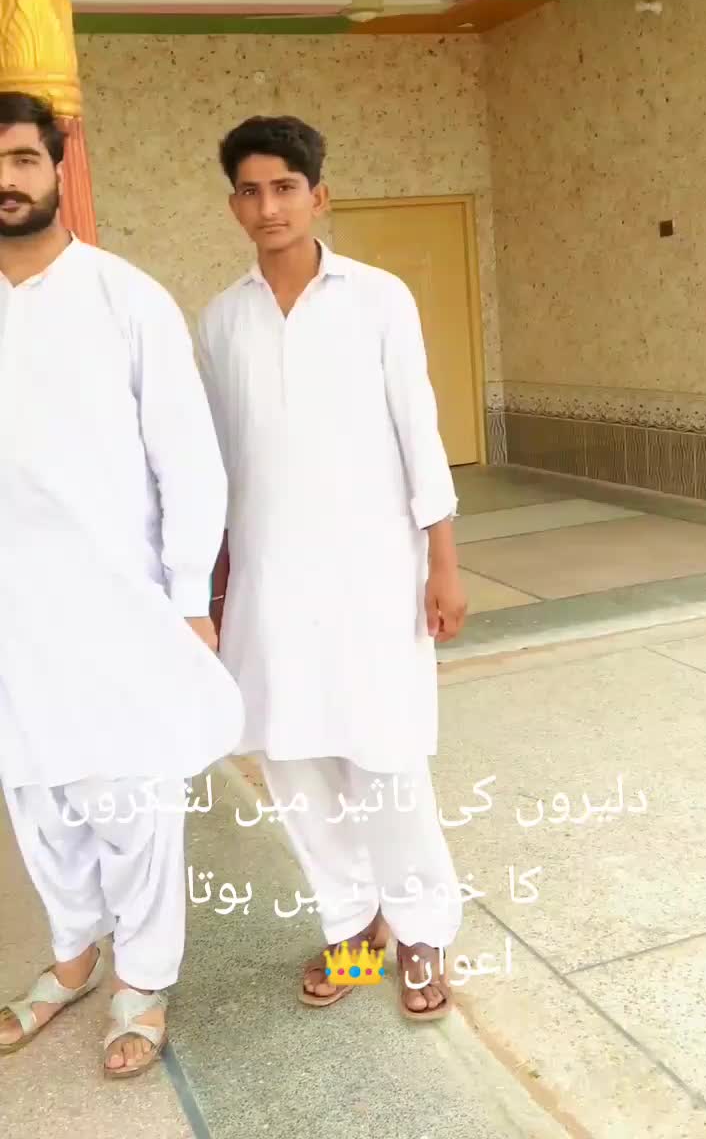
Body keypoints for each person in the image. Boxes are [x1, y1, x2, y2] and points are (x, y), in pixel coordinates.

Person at [198, 115, 467, 1020]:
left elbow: (419, 433)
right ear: (234, 205)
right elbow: (219, 466)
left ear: (319, 195)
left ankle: (422, 932)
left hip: (374, 575)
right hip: (271, 584)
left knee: (386, 757)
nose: (268, 206)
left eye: (284, 187)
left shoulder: (379, 298)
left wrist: (442, 562)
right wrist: (210, 591)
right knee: (295, 760)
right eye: (250, 190)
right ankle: (355, 930)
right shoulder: (221, 319)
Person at [0, 92, 245, 1077]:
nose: (7, 179)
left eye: (22, 158)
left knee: (131, 792)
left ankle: (141, 979)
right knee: (35, 787)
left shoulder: (123, 297)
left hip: (117, 600)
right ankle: (72, 957)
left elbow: (188, 456)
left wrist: (188, 595)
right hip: (11, 609)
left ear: (57, 169)